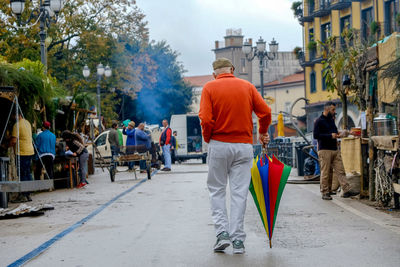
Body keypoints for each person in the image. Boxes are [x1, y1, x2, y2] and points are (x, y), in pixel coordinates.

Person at [199, 58, 271, 254]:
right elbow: (265, 112)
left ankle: (222, 234)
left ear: (214, 74)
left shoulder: (209, 88)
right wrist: (262, 133)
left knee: (217, 190)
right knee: (239, 193)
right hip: (243, 146)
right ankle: (238, 240)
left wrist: (208, 138)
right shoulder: (247, 86)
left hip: (219, 144)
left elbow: (205, 118)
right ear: (232, 70)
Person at [313, 102, 358, 200]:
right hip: (324, 149)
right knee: (325, 172)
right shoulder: (318, 121)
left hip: (334, 149)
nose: (334, 112)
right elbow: (316, 136)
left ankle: (346, 190)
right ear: (327, 109)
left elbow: (336, 132)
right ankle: (325, 192)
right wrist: (330, 136)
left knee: (340, 170)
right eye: (333, 110)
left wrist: (346, 133)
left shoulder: (331, 120)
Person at [10, 114, 35, 202]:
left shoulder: (16, 125)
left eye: (13, 116)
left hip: (22, 152)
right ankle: (28, 194)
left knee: (22, 173)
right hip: (30, 151)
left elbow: (13, 140)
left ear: (17, 115)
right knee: (27, 172)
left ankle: (24, 195)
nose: (12, 118)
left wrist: (6, 145)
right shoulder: (27, 123)